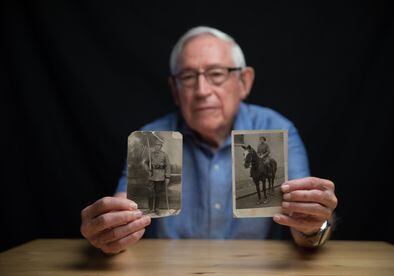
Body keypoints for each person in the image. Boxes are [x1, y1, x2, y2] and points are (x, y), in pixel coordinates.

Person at [80, 26, 338, 254]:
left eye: (216, 74)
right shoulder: (152, 138)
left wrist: (314, 225)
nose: (202, 91)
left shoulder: (278, 129)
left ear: (244, 82)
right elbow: (123, 212)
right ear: (175, 90)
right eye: (188, 77)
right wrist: (110, 230)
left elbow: (305, 229)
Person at [146, 139, 171, 215]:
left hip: (160, 176)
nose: (157, 147)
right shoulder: (151, 154)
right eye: (156, 145)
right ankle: (150, 209)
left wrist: (167, 177)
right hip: (152, 175)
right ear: (154, 146)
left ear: (161, 146)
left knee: (158, 193)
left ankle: (157, 209)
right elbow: (144, 163)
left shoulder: (164, 155)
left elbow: (168, 166)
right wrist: (148, 169)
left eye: (158, 145)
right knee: (150, 192)